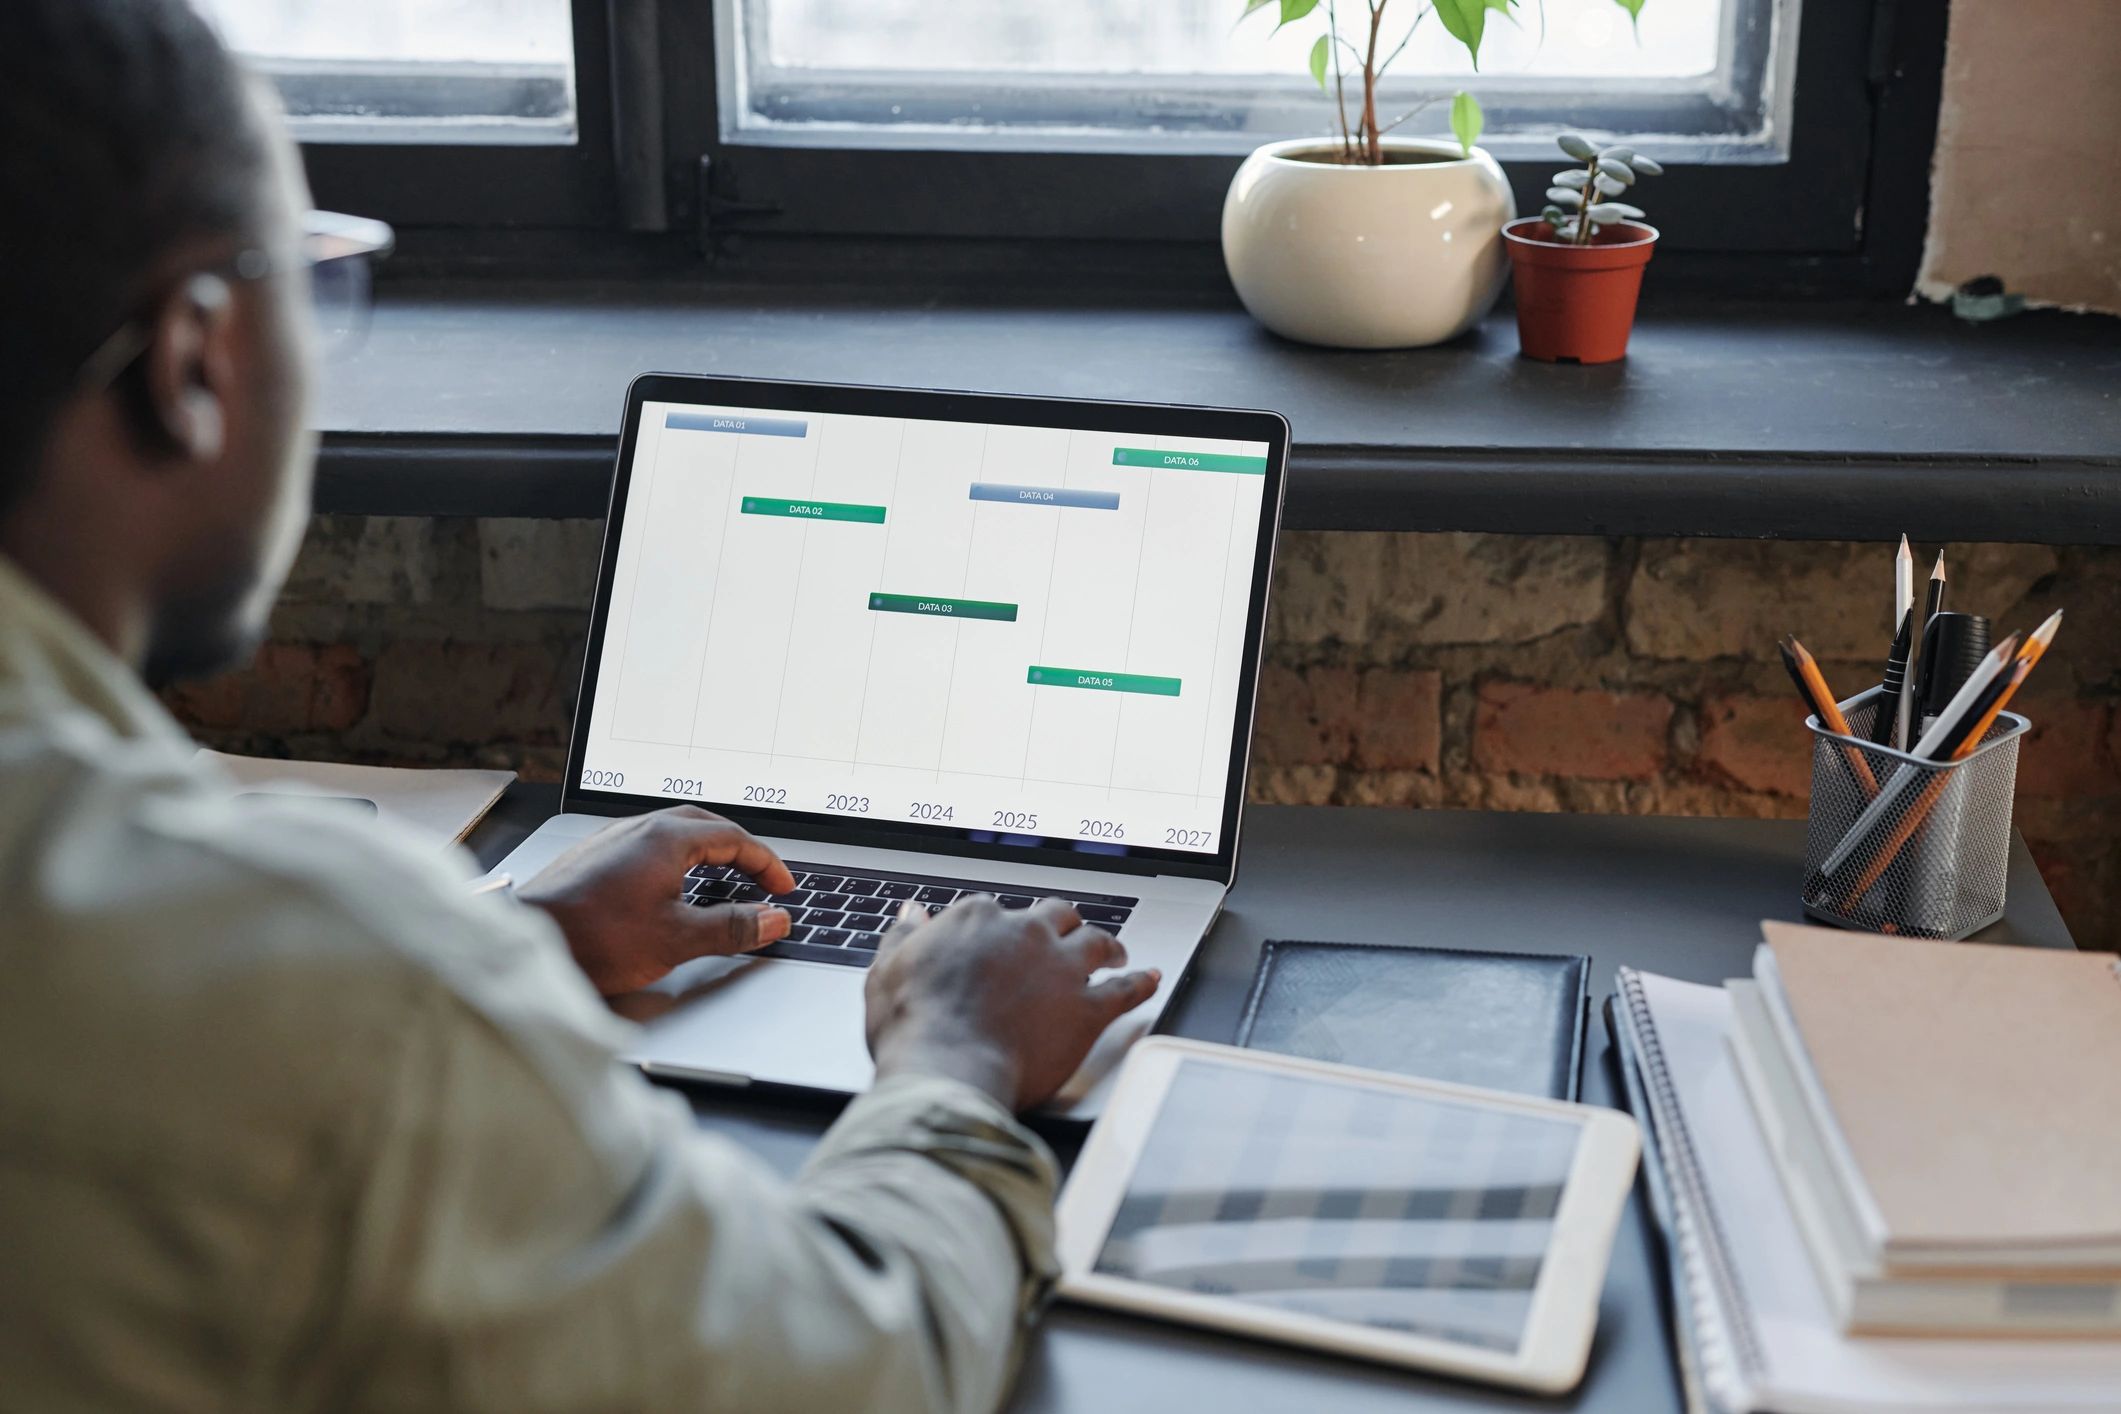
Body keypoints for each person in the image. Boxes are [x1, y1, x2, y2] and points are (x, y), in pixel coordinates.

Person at [0, 3, 1160, 1409]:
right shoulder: (326, 981)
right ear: (193, 362)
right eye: (301, 284)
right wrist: (957, 1057)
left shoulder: (262, 976)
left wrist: (506, 946)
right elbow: (857, 1375)